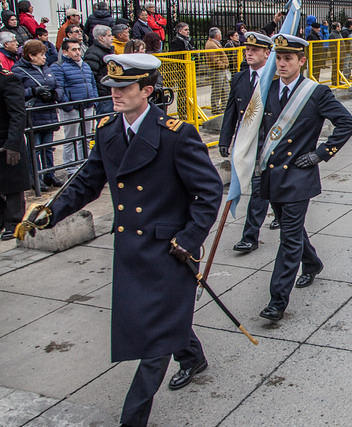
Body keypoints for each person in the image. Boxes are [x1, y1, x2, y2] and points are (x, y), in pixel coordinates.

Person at [26, 53, 223, 427]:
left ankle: (132, 419)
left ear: (147, 90)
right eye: (112, 88)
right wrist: (51, 212)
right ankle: (192, 356)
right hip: (132, 249)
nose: (115, 94)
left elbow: (209, 191)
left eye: (124, 88)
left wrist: (189, 237)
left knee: (154, 343)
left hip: (170, 250)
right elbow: (87, 180)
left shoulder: (175, 134)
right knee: (158, 320)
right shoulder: (108, 131)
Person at [255, 33, 352, 321]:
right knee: (293, 229)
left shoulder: (315, 93)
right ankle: (311, 264)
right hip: (272, 176)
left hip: (298, 176)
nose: (282, 63)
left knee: (288, 238)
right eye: (279, 58)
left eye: (288, 59)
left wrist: (321, 154)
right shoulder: (268, 89)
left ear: (302, 60)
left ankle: (277, 301)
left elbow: (347, 123)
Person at [219, 32, 279, 253]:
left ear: (267, 53)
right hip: (247, 141)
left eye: (254, 50)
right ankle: (277, 213)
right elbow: (231, 112)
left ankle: (250, 236)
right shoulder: (240, 78)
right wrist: (225, 139)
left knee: (259, 187)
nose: (249, 53)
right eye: (247, 50)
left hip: (269, 142)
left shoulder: (275, 79)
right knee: (263, 186)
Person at [12, 39, 64, 191]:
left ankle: (49, 174)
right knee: (34, 148)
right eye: (41, 55)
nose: (44, 58)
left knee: (47, 148)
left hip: (48, 112)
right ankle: (36, 177)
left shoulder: (46, 69)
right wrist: (34, 92)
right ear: (31, 56)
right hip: (33, 116)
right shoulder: (18, 71)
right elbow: (16, 93)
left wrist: (54, 94)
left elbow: (58, 85)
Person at [50, 39, 98, 176]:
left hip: (87, 106)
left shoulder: (85, 65)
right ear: (65, 52)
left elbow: (92, 83)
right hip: (72, 107)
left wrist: (94, 100)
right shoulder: (59, 66)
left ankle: (85, 162)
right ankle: (71, 166)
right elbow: (59, 87)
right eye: (73, 50)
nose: (77, 52)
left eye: (78, 49)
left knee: (86, 137)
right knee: (71, 138)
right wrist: (68, 105)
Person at [0, 67, 28, 241]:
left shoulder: (7, 79)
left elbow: (18, 114)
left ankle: (13, 222)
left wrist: (13, 144)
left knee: (12, 185)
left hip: (7, 140)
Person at [84, 25, 114, 114]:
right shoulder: (93, 53)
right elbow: (91, 76)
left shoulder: (108, 50)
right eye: (109, 35)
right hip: (103, 95)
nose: (112, 38)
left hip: (110, 92)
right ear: (101, 38)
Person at [204, 27, 229, 115]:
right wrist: (224, 65)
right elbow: (215, 59)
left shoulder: (215, 43)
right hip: (216, 70)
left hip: (221, 69)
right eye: (220, 34)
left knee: (225, 88)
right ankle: (215, 107)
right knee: (217, 89)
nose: (221, 36)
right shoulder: (211, 44)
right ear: (217, 35)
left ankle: (225, 106)